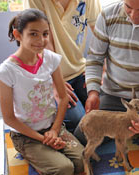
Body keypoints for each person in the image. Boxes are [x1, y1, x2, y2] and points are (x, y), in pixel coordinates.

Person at [74, 0, 139, 159]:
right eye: (128, 7)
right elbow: (94, 60)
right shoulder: (107, 15)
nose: (133, 15)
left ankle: (138, 128)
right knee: (81, 138)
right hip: (113, 95)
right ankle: (132, 128)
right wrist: (93, 93)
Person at [0, 9, 84, 174]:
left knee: (82, 159)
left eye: (45, 34)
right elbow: (9, 118)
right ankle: (37, 158)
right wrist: (44, 139)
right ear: (17, 35)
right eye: (33, 34)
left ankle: (48, 156)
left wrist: (54, 130)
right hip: (27, 136)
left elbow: (63, 97)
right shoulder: (6, 71)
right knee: (64, 168)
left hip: (53, 127)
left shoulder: (51, 58)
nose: (41, 40)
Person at [23, 0, 102, 133]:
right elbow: (42, 43)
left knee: (106, 109)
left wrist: (101, 69)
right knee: (78, 121)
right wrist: (55, 82)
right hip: (52, 75)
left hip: (81, 70)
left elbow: (101, 34)